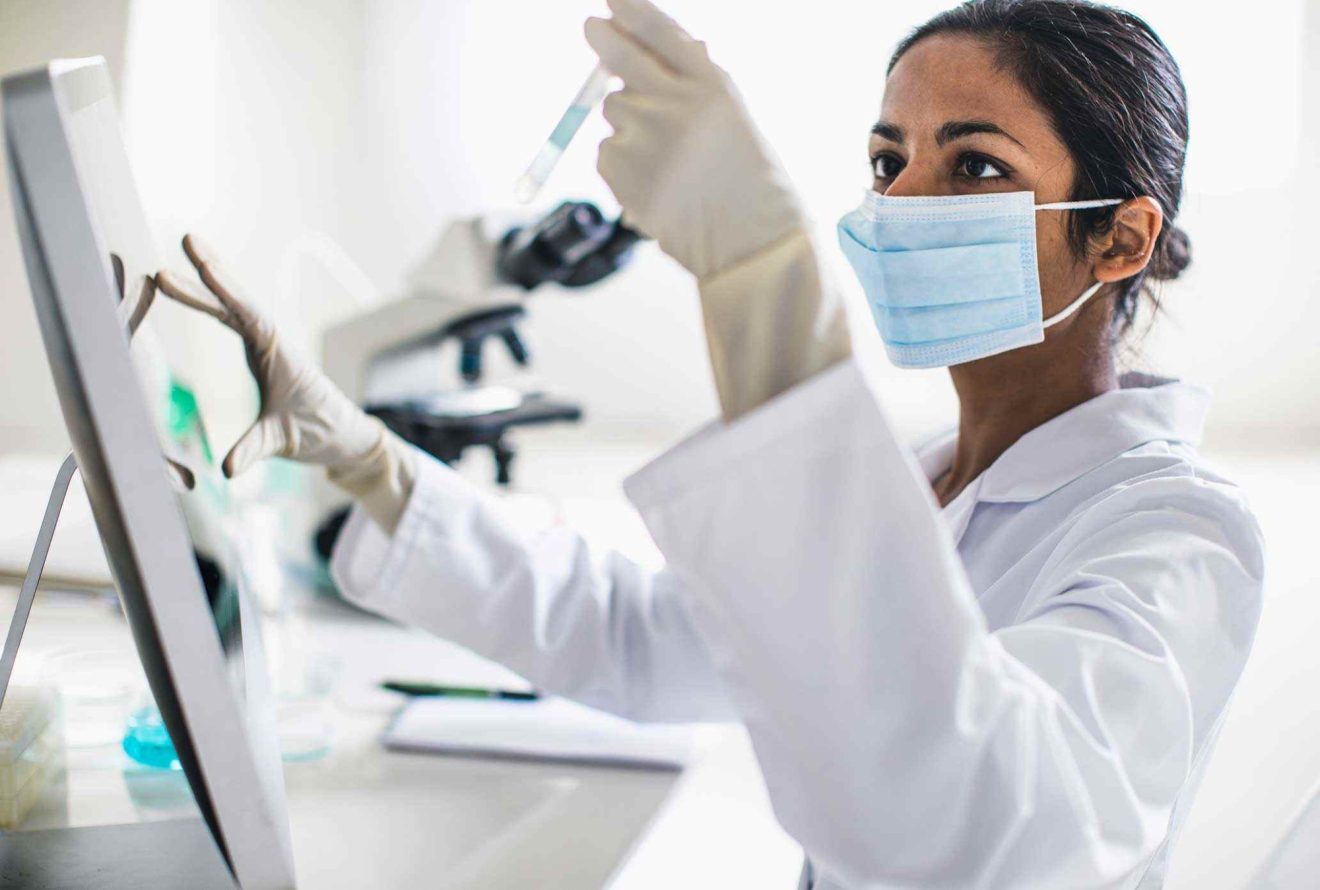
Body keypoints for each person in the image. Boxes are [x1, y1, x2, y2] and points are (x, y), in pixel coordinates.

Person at [155, 0, 1264, 886]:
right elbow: (639, 636)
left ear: (1121, 236)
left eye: (973, 165)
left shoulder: (1175, 530)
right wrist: (370, 463)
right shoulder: (928, 474)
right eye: (889, 162)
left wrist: (760, 278)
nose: (903, 202)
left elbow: (989, 825)